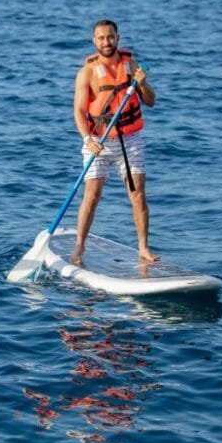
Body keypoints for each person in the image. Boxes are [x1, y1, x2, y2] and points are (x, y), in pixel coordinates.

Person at [72, 19, 158, 265]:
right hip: (98, 140)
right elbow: (78, 112)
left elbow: (150, 101)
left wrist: (143, 84)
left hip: (129, 140)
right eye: (101, 38)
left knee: (138, 193)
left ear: (117, 38)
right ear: (94, 41)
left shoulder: (131, 66)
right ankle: (79, 247)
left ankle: (143, 248)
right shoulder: (87, 73)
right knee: (92, 194)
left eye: (110, 37)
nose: (106, 42)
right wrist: (87, 139)